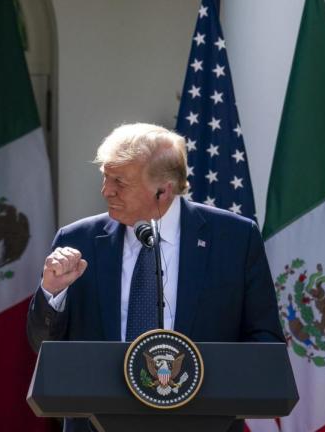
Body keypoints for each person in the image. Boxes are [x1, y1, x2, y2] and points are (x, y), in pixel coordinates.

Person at [27, 123, 282, 430]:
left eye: (120, 182)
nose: (106, 191)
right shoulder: (78, 240)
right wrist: (52, 292)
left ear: (164, 189)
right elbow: (42, 344)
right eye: (105, 178)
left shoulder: (234, 239)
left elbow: (264, 340)